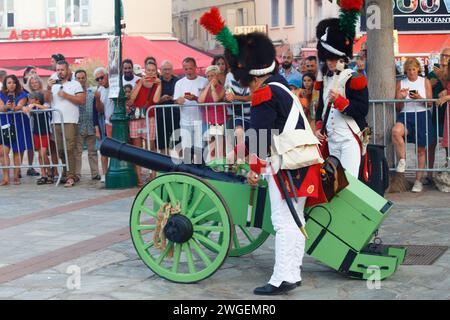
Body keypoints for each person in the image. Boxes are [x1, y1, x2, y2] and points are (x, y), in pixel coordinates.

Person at [221, 32, 325, 296]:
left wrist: (254, 170)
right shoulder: (280, 85)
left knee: (283, 220)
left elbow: (259, 136)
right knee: (294, 219)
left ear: (252, 77)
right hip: (301, 161)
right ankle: (292, 273)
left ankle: (281, 278)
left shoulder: (264, 93)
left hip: (289, 164)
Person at [315, 18, 369, 179]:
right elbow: (320, 108)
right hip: (332, 140)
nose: (329, 62)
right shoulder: (326, 79)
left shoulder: (354, 78)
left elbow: (362, 109)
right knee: (334, 182)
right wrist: (319, 126)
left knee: (350, 182)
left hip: (349, 138)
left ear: (341, 58)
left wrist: (340, 101)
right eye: (327, 58)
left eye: (332, 58)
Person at [392, 58, 433, 193]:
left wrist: (419, 98)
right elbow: (397, 107)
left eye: (413, 69)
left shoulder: (424, 81)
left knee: (421, 149)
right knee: (396, 132)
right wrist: (402, 97)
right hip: (405, 114)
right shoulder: (401, 82)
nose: (411, 72)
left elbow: (430, 103)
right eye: (409, 70)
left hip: (422, 114)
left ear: (418, 69)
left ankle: (418, 181)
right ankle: (403, 160)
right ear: (405, 70)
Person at [48, 60, 86, 188]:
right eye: (58, 70)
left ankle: (71, 176)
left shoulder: (75, 84)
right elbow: (48, 100)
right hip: (56, 121)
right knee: (60, 150)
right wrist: (48, 88)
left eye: (62, 70)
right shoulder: (53, 85)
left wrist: (66, 95)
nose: (60, 72)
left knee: (69, 148)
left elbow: (81, 100)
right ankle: (65, 173)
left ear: (68, 70)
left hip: (70, 121)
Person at [128, 62, 162, 185]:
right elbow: (132, 99)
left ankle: (152, 175)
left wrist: (158, 85)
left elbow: (156, 100)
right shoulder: (139, 82)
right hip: (137, 118)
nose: (151, 73)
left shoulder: (157, 83)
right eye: (149, 70)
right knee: (137, 148)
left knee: (151, 147)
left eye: (153, 70)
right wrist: (141, 83)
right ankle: (139, 178)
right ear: (145, 71)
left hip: (150, 117)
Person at [174, 57, 208, 161]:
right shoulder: (179, 83)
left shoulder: (204, 81)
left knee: (199, 148)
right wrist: (177, 101)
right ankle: (189, 171)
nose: (188, 71)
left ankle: (198, 171)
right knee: (186, 148)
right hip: (185, 121)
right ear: (183, 69)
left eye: (190, 68)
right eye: (186, 69)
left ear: (195, 68)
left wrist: (195, 98)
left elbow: (207, 100)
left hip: (199, 120)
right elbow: (175, 100)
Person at [0, 75, 31, 186]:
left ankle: (16, 176)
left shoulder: (22, 94)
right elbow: (1, 107)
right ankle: (6, 178)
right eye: (9, 82)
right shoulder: (0, 94)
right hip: (5, 125)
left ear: (16, 84)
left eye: (13, 82)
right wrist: (6, 107)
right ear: (5, 84)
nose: (11, 84)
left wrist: (14, 107)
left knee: (18, 151)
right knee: (3, 152)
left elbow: (20, 105)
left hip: (19, 124)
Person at [25, 75, 53, 183]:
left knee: (43, 153)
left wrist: (35, 105)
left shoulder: (43, 99)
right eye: (32, 83)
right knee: (40, 154)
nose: (34, 84)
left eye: (36, 82)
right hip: (36, 131)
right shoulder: (31, 103)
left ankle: (50, 171)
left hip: (45, 131)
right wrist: (28, 107)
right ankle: (44, 174)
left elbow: (46, 107)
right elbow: (27, 111)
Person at [75, 70, 100, 182]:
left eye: (82, 77)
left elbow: (95, 110)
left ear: (86, 78)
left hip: (90, 125)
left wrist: (96, 126)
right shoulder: (73, 93)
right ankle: (77, 174)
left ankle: (95, 173)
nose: (81, 80)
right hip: (79, 125)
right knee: (78, 152)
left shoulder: (92, 92)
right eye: (78, 78)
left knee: (93, 151)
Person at [427, 47, 450, 174]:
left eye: (447, 56)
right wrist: (429, 84)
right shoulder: (432, 73)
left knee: (448, 145)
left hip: (447, 114)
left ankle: (448, 170)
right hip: (434, 114)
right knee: (431, 143)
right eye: (442, 55)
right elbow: (424, 89)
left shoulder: (446, 73)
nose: (443, 58)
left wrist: (442, 78)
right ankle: (429, 173)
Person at [198, 65, 226, 161]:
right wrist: (208, 87)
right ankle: (213, 165)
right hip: (207, 120)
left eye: (212, 76)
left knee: (220, 145)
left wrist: (213, 88)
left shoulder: (222, 88)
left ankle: (221, 165)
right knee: (210, 145)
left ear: (217, 76)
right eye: (208, 76)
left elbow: (216, 99)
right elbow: (200, 101)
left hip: (219, 120)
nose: (210, 78)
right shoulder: (204, 89)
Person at [94, 67, 114, 184]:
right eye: (97, 79)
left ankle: (112, 172)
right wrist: (97, 99)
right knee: (104, 149)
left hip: (116, 122)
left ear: (107, 75)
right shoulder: (99, 90)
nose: (100, 80)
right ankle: (105, 173)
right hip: (106, 123)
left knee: (116, 149)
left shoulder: (115, 86)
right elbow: (100, 110)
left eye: (102, 77)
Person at [156, 60, 180, 155]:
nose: (167, 71)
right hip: (161, 116)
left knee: (178, 141)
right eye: (165, 69)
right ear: (161, 70)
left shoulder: (177, 80)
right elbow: (154, 99)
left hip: (175, 115)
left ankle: (178, 164)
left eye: (169, 69)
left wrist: (173, 98)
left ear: (172, 70)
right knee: (163, 143)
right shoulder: (157, 82)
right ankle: (164, 165)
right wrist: (161, 99)